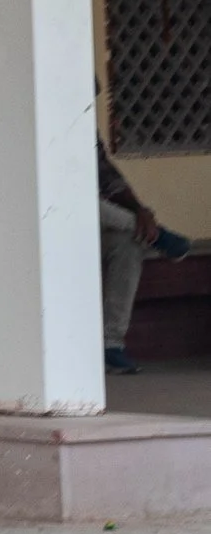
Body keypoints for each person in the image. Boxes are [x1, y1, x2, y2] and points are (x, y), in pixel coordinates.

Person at [101, 140, 192, 375]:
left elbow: (108, 179)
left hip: (83, 231)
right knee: (75, 199)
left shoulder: (81, 124)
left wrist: (139, 210)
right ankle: (157, 236)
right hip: (31, 232)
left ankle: (111, 345)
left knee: (129, 244)